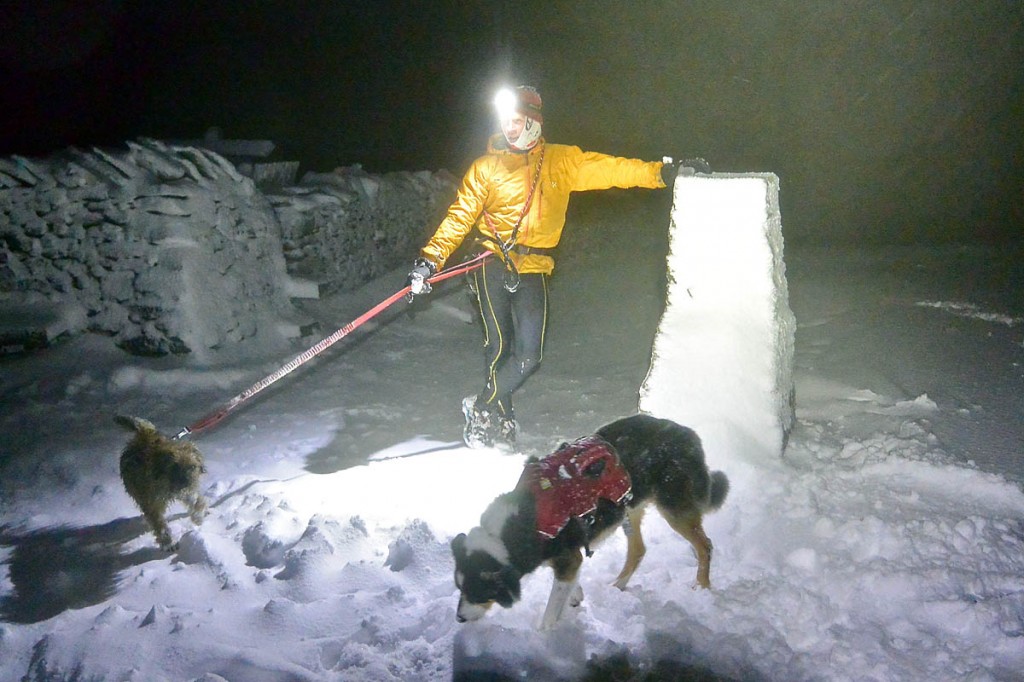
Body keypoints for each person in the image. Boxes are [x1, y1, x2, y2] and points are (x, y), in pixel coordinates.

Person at [406, 84, 708, 449]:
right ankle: (498, 419)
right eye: (506, 122)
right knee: (499, 346)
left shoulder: (562, 162)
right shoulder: (486, 167)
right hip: (491, 262)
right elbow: (459, 218)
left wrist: (662, 173)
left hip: (534, 267)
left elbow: (612, 169)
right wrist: (429, 261)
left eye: (517, 121)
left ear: (534, 122)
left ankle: (483, 405)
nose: (510, 128)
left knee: (529, 355)